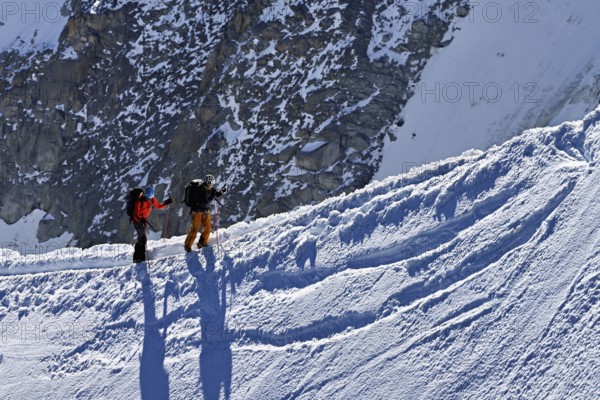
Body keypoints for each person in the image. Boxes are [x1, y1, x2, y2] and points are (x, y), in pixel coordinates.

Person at [184, 175, 226, 252]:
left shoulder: (210, 188)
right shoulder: (199, 189)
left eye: (210, 185)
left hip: (205, 210)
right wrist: (212, 196)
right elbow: (203, 202)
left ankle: (202, 243)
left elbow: (216, 194)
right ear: (205, 183)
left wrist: (221, 191)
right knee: (195, 228)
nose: (209, 186)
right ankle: (187, 246)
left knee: (207, 227)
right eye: (208, 185)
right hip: (197, 210)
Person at [132, 186, 172, 262]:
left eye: (150, 198)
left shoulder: (152, 198)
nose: (149, 200)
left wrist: (166, 202)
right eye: (148, 198)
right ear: (144, 195)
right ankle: (140, 257)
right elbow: (135, 215)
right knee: (143, 238)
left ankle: (137, 257)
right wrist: (140, 219)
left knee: (141, 238)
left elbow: (159, 206)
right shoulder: (139, 201)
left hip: (144, 221)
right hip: (137, 221)